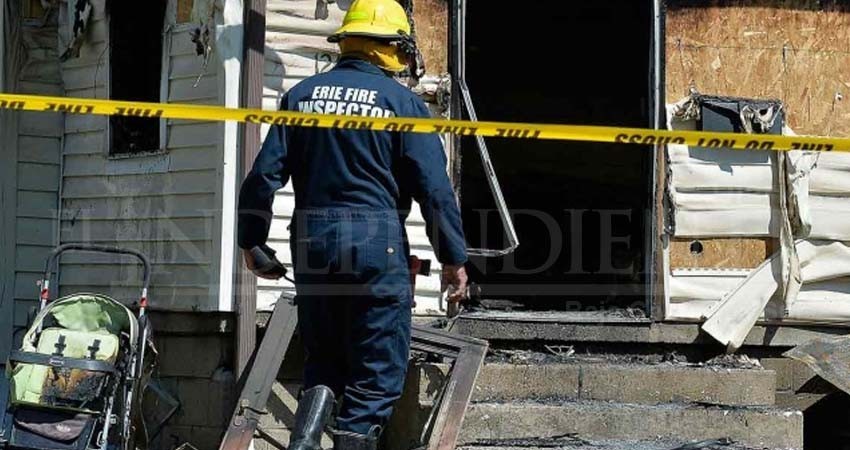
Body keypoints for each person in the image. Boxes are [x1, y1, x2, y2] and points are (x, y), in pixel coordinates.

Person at [236, 0, 468, 448]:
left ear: (346, 43)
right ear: (393, 49)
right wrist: (453, 259)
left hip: (313, 243)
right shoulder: (403, 104)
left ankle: (302, 444)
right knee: (375, 373)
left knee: (324, 359)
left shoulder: (301, 96)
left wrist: (251, 243)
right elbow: (435, 192)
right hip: (374, 243)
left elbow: (263, 176)